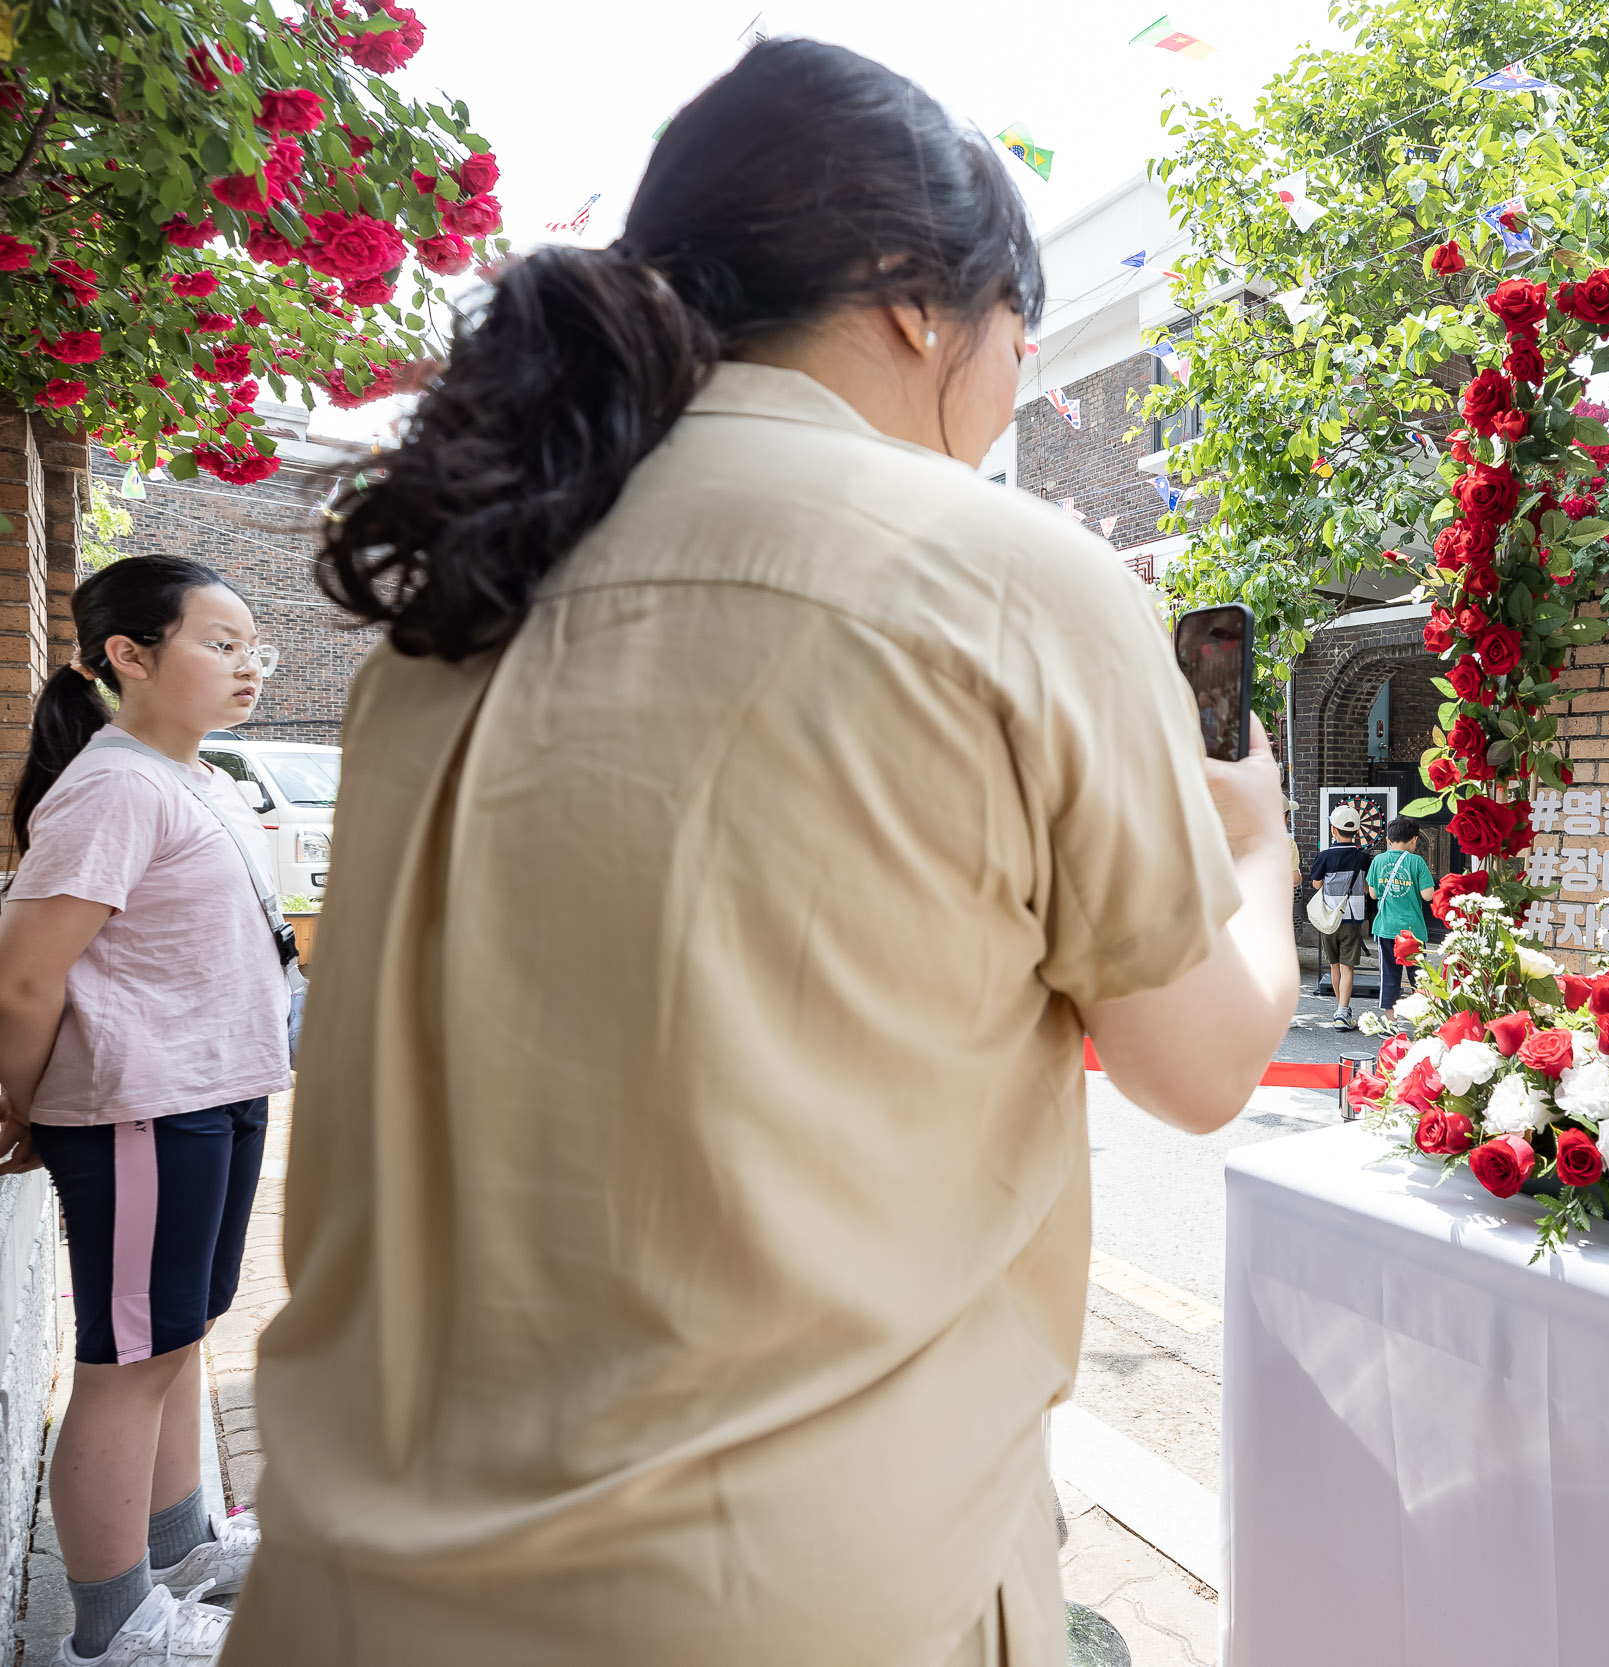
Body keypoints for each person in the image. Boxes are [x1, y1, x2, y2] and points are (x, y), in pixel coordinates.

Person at [221, 41, 1299, 1667]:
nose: (1011, 381)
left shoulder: (454, 614)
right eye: (1017, 331)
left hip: (358, 1591)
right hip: (786, 1594)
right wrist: (1263, 854)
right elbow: (1203, 1063)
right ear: (919, 302)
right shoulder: (1003, 575)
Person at [0, 556, 287, 1667]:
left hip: (212, 1095)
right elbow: (25, 974)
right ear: (129, 654)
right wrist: (22, 1104)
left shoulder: (195, 778)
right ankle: (111, 1627)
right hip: (141, 1110)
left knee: (176, 1339)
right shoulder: (116, 785)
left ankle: (179, 1554)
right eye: (220, 642)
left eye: (252, 643)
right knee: (127, 1365)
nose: (248, 664)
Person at [1306, 802, 1372, 1027]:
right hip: (1352, 920)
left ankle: (1340, 1010)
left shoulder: (1324, 856)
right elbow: (1366, 888)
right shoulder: (1363, 858)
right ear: (1356, 831)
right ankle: (1343, 1012)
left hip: (1329, 919)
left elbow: (1316, 885)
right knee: (1348, 967)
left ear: (1333, 830)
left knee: (1334, 965)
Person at [1367, 818, 1434, 1014]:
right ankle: (1422, 1021)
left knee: (1389, 975)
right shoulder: (1417, 862)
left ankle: (1390, 1022)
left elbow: (1372, 893)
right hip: (1412, 931)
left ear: (1388, 839)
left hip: (1386, 928)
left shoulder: (1378, 861)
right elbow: (1427, 895)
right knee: (1418, 977)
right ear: (1414, 840)